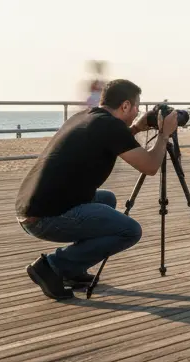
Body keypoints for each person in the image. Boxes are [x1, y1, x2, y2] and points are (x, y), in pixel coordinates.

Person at [16, 79, 177, 300]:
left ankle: (71, 270)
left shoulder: (86, 117)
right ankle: (52, 267)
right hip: (45, 218)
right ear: (126, 106)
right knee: (130, 231)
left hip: (31, 208)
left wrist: (138, 127)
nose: (138, 111)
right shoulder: (111, 127)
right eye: (137, 107)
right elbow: (150, 166)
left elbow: (113, 140)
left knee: (107, 199)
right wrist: (164, 134)